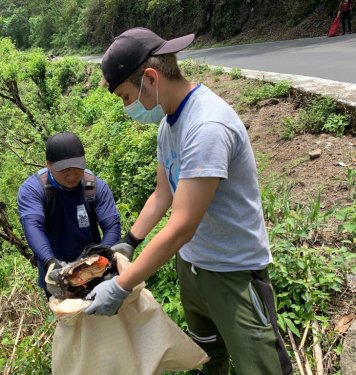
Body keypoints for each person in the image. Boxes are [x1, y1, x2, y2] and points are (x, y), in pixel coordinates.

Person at [83, 27, 293, 375]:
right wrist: (129, 243)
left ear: (150, 78)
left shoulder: (207, 125)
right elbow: (162, 194)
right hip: (193, 266)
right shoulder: (169, 125)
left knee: (263, 368)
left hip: (232, 272)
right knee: (207, 357)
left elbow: (181, 226)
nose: (127, 107)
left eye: (125, 96)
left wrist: (122, 285)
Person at [17, 131, 122, 298]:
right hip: (56, 273)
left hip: (94, 270)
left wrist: (102, 256)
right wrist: (50, 262)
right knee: (69, 319)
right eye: (64, 170)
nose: (72, 175)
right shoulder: (33, 190)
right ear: (48, 165)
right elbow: (33, 226)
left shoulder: (93, 186)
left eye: (77, 169)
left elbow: (112, 225)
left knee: (104, 318)